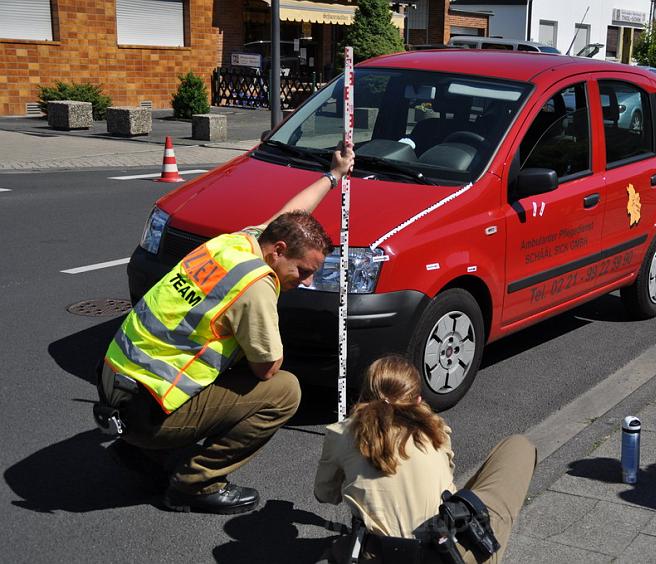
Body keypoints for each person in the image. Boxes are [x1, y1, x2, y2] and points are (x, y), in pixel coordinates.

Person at [98, 143, 355, 515]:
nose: (308, 281)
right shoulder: (256, 283)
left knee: (224, 354)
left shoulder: (237, 243)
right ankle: (195, 483)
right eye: (303, 271)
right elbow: (267, 366)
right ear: (279, 251)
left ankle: (143, 452)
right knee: (284, 391)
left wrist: (334, 176)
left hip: (117, 387)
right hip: (144, 412)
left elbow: (292, 214)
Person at [314, 355, 537, 563]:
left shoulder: (341, 433)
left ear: (365, 395)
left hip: (381, 555)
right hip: (449, 553)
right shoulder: (435, 428)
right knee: (519, 446)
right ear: (418, 400)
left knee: (341, 548)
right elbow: (446, 485)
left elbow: (324, 494)